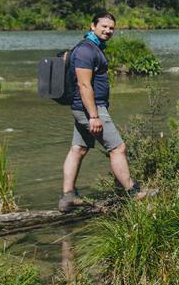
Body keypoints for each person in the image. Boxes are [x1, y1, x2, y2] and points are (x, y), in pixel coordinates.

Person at [59, 11, 147, 212]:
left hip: (85, 108)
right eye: (104, 26)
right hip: (90, 108)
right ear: (92, 26)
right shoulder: (85, 51)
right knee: (118, 148)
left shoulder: (94, 48)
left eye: (111, 28)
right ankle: (132, 192)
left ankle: (68, 196)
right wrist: (94, 116)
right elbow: (84, 85)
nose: (108, 30)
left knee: (79, 149)